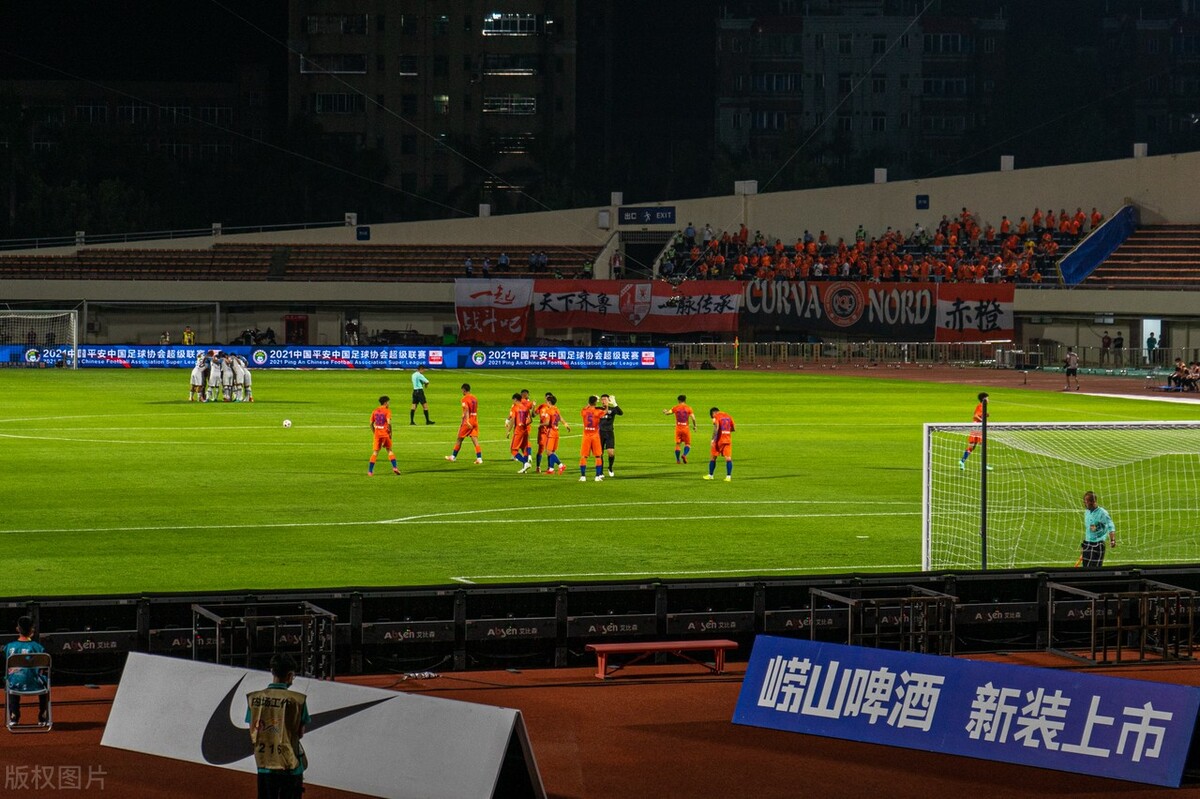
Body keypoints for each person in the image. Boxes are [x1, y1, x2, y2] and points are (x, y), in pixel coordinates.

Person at [246, 653, 309, 799]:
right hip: (290, 766)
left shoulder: (254, 699)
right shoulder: (298, 700)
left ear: (272, 671)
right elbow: (300, 733)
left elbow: (252, 728)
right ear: (289, 675)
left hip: (264, 765)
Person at [5, 616, 49, 726]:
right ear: (32, 630)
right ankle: (42, 718)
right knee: (45, 682)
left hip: (15, 685)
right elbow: (44, 669)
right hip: (36, 685)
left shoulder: (9, 647)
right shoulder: (39, 647)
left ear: (17, 629)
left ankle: (13, 717)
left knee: (11, 679)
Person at [446, 383, 482, 464]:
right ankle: (479, 458)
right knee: (475, 440)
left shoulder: (464, 399)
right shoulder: (475, 398)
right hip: (475, 419)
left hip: (468, 420)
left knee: (459, 438)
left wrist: (466, 420)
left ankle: (453, 456)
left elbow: (466, 409)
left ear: (464, 390)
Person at [1080, 491, 1116, 568]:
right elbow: (1089, 529)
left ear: (1093, 502)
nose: (1084, 503)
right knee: (1085, 569)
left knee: (1094, 570)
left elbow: (1110, 526)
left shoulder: (1102, 513)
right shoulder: (1087, 512)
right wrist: (1084, 548)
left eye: (1086, 501)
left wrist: (1112, 540)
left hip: (1098, 545)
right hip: (1087, 544)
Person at [959, 392, 993, 471]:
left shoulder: (982, 406)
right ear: (984, 399)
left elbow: (977, 415)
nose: (988, 400)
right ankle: (984, 465)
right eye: (987, 398)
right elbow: (975, 415)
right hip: (978, 427)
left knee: (972, 446)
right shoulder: (981, 406)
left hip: (975, 427)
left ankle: (962, 461)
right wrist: (983, 421)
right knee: (984, 445)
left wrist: (985, 415)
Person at [368, 395, 400, 476]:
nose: (389, 404)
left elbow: (371, 423)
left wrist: (374, 432)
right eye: (388, 402)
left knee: (375, 452)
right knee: (389, 450)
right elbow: (389, 423)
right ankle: (395, 467)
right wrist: (390, 433)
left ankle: (370, 471)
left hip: (377, 434)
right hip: (385, 434)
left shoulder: (374, 411)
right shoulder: (387, 411)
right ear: (385, 403)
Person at [540, 394, 570, 475]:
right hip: (557, 432)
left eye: (547, 401)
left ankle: (561, 465)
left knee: (548, 452)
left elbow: (546, 423)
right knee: (552, 451)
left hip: (551, 433)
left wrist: (541, 425)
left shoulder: (548, 411)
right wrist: (566, 425)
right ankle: (551, 469)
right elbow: (560, 418)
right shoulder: (556, 409)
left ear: (549, 402)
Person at [663, 394, 697, 464]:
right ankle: (684, 455)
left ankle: (678, 460)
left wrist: (665, 411)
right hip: (686, 428)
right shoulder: (688, 408)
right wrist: (695, 426)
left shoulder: (675, 407)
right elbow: (693, 418)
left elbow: (667, 413)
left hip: (678, 428)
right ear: (685, 400)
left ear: (678, 400)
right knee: (687, 444)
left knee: (678, 444)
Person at [579, 395, 605, 482]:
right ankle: (597, 476)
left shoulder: (584, 411)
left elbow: (584, 409)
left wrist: (589, 404)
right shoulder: (598, 412)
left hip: (586, 436)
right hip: (595, 436)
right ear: (595, 402)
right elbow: (605, 411)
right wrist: (607, 403)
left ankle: (583, 476)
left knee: (583, 456)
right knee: (598, 456)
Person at [506, 392, 533, 473]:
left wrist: (508, 431)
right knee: (524, 449)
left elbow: (513, 420)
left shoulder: (515, 408)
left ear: (515, 399)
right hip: (525, 430)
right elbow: (531, 420)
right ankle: (524, 468)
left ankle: (525, 463)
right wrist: (525, 424)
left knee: (513, 450)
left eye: (513, 400)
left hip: (518, 431)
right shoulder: (525, 407)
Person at [705, 407, 735, 481]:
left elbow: (716, 428)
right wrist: (726, 431)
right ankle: (728, 477)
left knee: (713, 457)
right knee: (728, 458)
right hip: (727, 440)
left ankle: (710, 475)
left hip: (719, 440)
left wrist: (713, 439)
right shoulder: (728, 416)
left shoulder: (716, 417)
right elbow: (733, 429)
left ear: (713, 413)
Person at [598, 394, 623, 477]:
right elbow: (587, 410)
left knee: (611, 453)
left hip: (609, 433)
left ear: (608, 400)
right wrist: (593, 401)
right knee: (599, 453)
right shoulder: (598, 409)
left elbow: (621, 413)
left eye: (605, 399)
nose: (603, 401)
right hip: (600, 433)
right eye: (602, 399)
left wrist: (614, 403)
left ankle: (610, 467)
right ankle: (600, 471)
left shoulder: (612, 410)